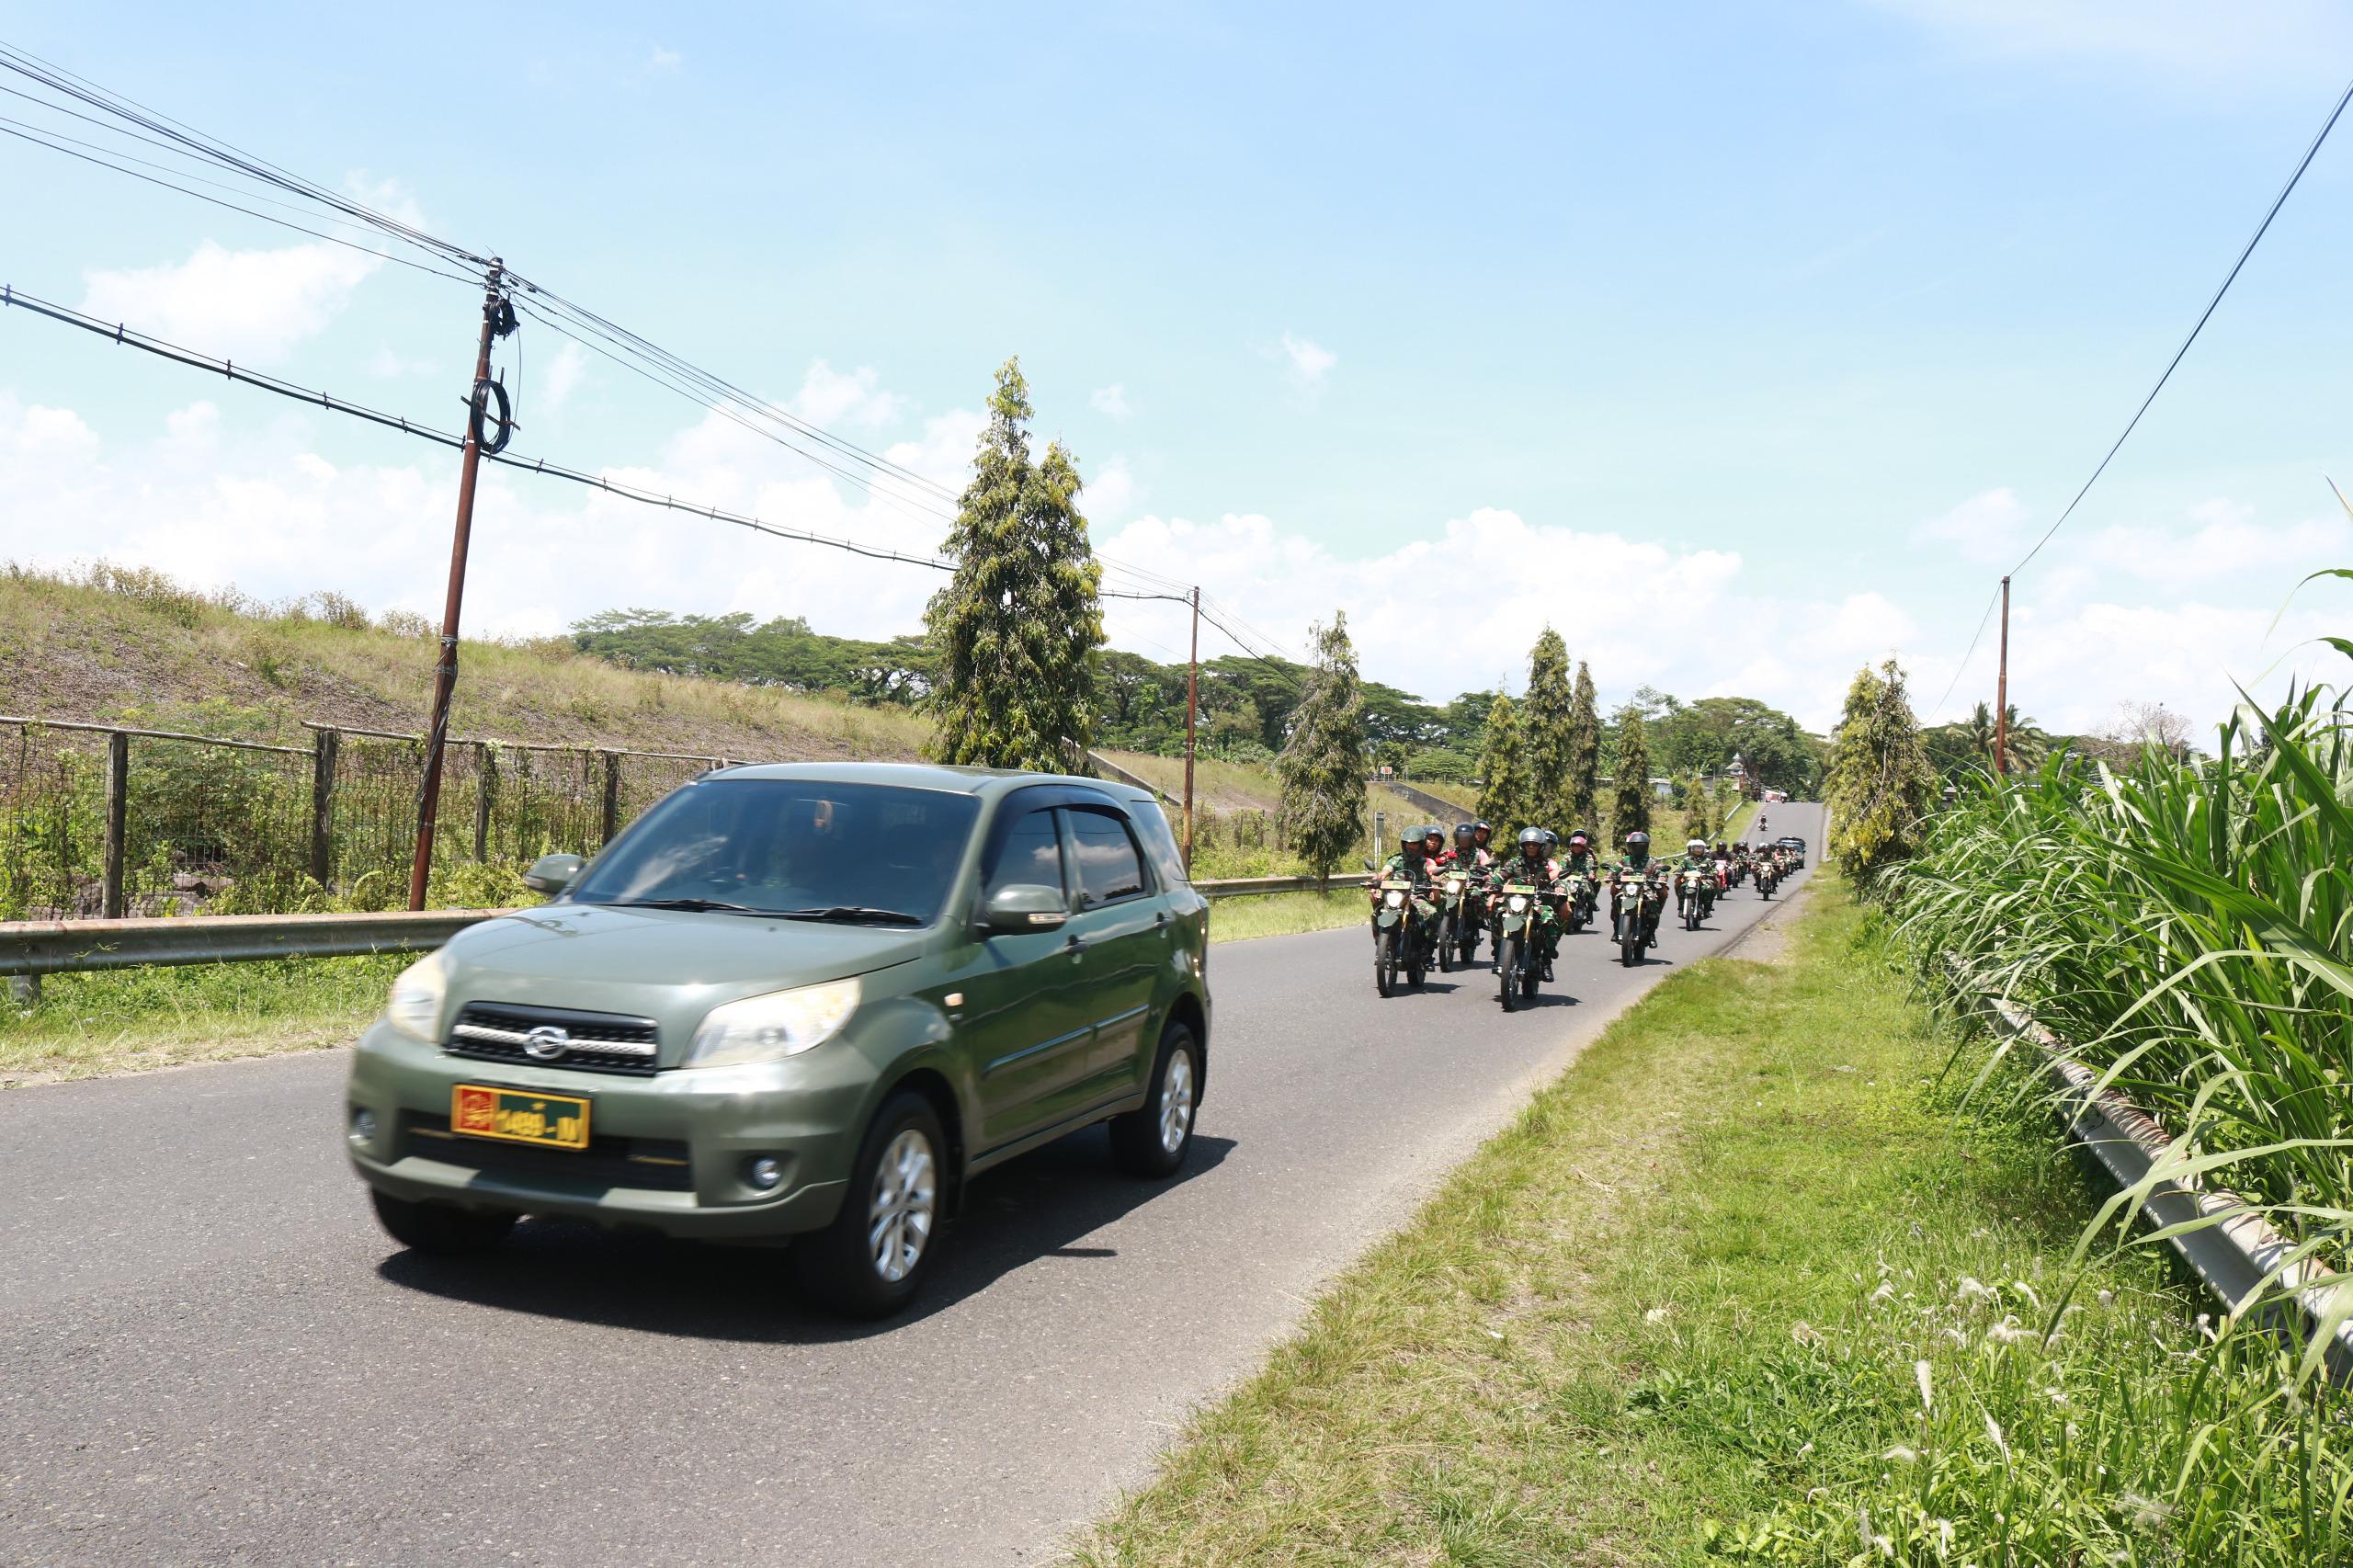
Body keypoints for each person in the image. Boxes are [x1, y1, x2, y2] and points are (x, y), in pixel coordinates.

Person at [1494, 825, 1564, 980]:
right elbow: (1500, 875)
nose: (1531, 847)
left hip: (1538, 904)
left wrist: (1560, 887)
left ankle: (1546, 961)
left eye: (1534, 844)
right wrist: (1492, 885)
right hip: (1515, 902)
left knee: (1550, 921)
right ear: (1522, 846)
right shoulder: (1515, 863)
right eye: (1528, 844)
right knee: (1497, 914)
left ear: (1541, 846)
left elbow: (1557, 880)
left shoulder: (1547, 864)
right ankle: (1498, 951)